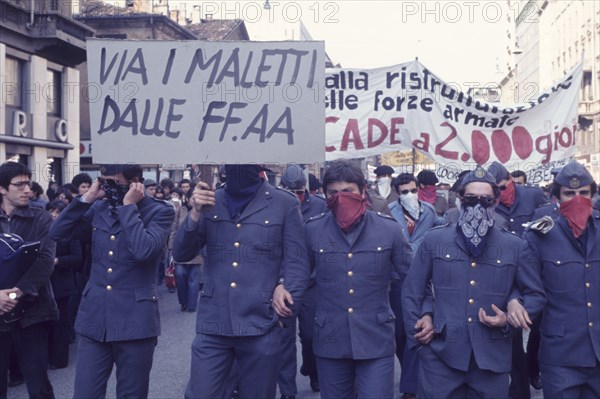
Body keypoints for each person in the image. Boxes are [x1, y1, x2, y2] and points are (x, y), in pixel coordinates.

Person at [402, 165, 546, 398]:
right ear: (459, 199)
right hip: (441, 356)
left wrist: (512, 311)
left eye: (486, 200)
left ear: (496, 203)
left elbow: (535, 293)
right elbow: (413, 291)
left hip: (492, 359)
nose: (478, 205)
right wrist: (420, 324)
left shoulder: (515, 245)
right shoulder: (435, 239)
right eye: (471, 199)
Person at [172, 164, 310, 399]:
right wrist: (194, 213)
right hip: (214, 324)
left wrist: (284, 297)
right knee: (201, 393)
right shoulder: (210, 200)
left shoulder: (283, 203)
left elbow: (297, 262)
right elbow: (182, 253)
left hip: (261, 324)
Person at [49, 163, 175, 398]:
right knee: (85, 393)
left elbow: (144, 251)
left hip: (135, 320)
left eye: (113, 182)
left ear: (135, 180)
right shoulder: (100, 208)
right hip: (95, 317)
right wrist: (85, 198)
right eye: (104, 180)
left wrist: (128, 206)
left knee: (131, 394)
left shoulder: (160, 211)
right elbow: (57, 233)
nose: (108, 187)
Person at [303, 159, 413, 399]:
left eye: (348, 191)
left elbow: (412, 277)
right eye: (333, 192)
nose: (341, 198)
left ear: (363, 191)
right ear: (324, 195)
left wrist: (427, 312)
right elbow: (297, 274)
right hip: (330, 339)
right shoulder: (312, 230)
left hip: (376, 338)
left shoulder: (389, 230)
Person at [524, 160, 600, 398]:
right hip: (560, 356)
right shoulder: (538, 236)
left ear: (593, 195)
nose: (577, 199)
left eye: (583, 193)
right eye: (569, 193)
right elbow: (527, 286)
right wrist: (516, 304)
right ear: (557, 198)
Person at [486, 161, 548, 399]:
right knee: (514, 343)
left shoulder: (532, 196)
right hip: (506, 277)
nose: (499, 193)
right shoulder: (489, 203)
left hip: (536, 275)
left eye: (503, 187)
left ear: (511, 180)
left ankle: (535, 371)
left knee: (536, 334)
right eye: (495, 189)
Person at [0, 161, 58, 399]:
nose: (27, 189)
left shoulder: (41, 218)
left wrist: (13, 294)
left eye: (29, 183)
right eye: (19, 184)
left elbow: (45, 261)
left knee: (39, 387)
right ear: (2, 189)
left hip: (33, 312)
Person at [388, 172, 443, 399]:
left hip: (422, 278)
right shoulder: (388, 212)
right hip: (396, 279)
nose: (410, 195)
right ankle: (409, 373)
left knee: (415, 329)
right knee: (399, 334)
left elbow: (439, 231)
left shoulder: (428, 211)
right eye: (404, 192)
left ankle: (411, 387)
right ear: (397, 193)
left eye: (413, 190)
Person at [277, 164, 327, 398]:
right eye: (290, 192)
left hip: (312, 283)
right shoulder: (273, 204)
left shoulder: (320, 206)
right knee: (283, 339)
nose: (295, 197)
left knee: (310, 334)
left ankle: (313, 370)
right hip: (282, 283)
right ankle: (288, 390)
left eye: (298, 192)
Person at [45, 199, 81, 369]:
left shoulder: (70, 232)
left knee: (61, 322)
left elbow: (77, 258)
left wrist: (57, 260)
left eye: (57, 212)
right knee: (48, 323)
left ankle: (60, 360)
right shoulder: (42, 230)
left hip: (63, 282)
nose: (53, 215)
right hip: (45, 283)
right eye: (51, 211)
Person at [168, 188, 202, 312]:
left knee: (194, 279)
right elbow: (174, 228)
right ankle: (183, 302)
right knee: (180, 276)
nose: (194, 200)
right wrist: (171, 246)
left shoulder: (203, 211)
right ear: (187, 199)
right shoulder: (179, 210)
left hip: (196, 250)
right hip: (180, 249)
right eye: (192, 198)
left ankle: (192, 305)